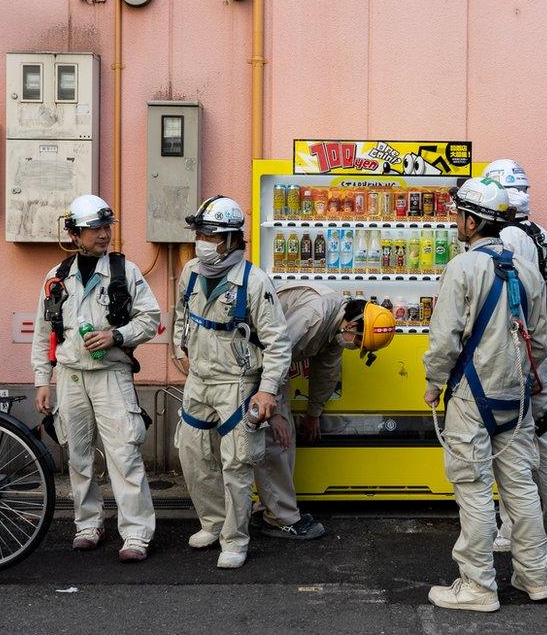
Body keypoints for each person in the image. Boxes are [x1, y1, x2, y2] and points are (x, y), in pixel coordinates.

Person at [423, 177, 547, 611]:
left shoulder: (463, 267)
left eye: (459, 214)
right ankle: (534, 578)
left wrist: (432, 381)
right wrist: (538, 391)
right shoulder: (527, 269)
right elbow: (539, 341)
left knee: (474, 488)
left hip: (470, 397)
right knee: (520, 488)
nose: (455, 221)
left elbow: (444, 339)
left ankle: (478, 587)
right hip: (515, 397)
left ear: (473, 221)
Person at [31, 194, 160, 562]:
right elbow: (44, 334)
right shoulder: (56, 277)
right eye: (94, 229)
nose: (103, 235)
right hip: (70, 376)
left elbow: (150, 318)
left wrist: (116, 336)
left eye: (106, 227)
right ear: (74, 233)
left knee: (124, 454)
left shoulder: (124, 271)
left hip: (111, 375)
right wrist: (43, 380)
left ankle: (135, 533)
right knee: (78, 455)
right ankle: (88, 524)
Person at [173, 195, 292, 569]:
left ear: (229, 239)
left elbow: (278, 342)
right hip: (199, 380)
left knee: (237, 464)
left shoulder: (255, 283)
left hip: (237, 383)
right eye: (200, 234)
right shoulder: (190, 271)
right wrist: (181, 348)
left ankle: (236, 539)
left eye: (209, 235)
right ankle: (213, 522)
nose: (202, 241)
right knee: (193, 456)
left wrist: (268, 389)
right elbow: (180, 313)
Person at [252, 283, 395, 539]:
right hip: (259, 366)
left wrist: (313, 413)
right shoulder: (314, 317)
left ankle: (270, 508)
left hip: (272, 370)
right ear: (352, 325)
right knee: (274, 439)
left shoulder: (336, 324)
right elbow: (274, 354)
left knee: (284, 441)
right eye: (359, 342)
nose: (356, 347)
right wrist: (271, 410)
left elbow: (326, 370)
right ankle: (280, 518)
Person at [482, 159, 547, 550]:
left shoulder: (509, 239)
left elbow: (512, 303)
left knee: (512, 443)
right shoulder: (542, 234)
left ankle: (512, 531)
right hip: (543, 349)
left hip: (521, 353)